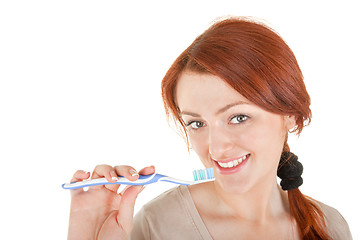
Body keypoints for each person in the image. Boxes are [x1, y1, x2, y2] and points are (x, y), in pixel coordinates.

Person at [67, 16, 352, 240]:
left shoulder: (330, 226)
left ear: (290, 114)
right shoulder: (155, 226)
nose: (215, 148)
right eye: (196, 123)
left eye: (238, 117)